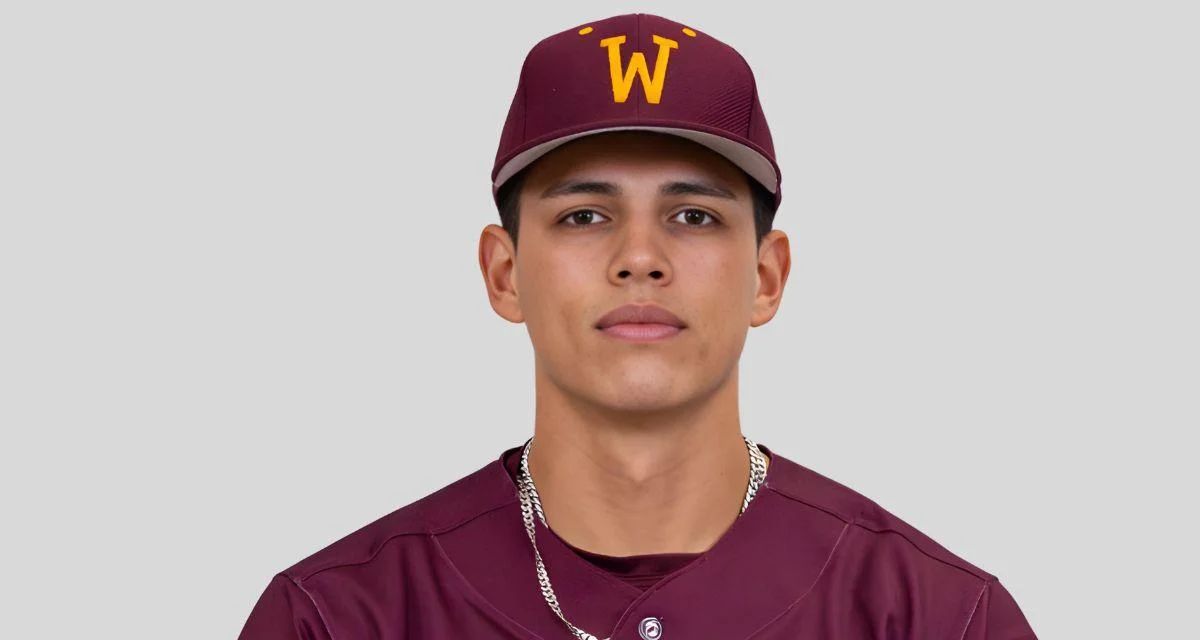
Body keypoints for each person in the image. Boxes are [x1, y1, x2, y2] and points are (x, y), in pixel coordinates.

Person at [238, 13, 1038, 639]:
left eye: (693, 215)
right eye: (585, 215)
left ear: (766, 278)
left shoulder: (935, 619)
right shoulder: (340, 619)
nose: (640, 258)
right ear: (505, 273)